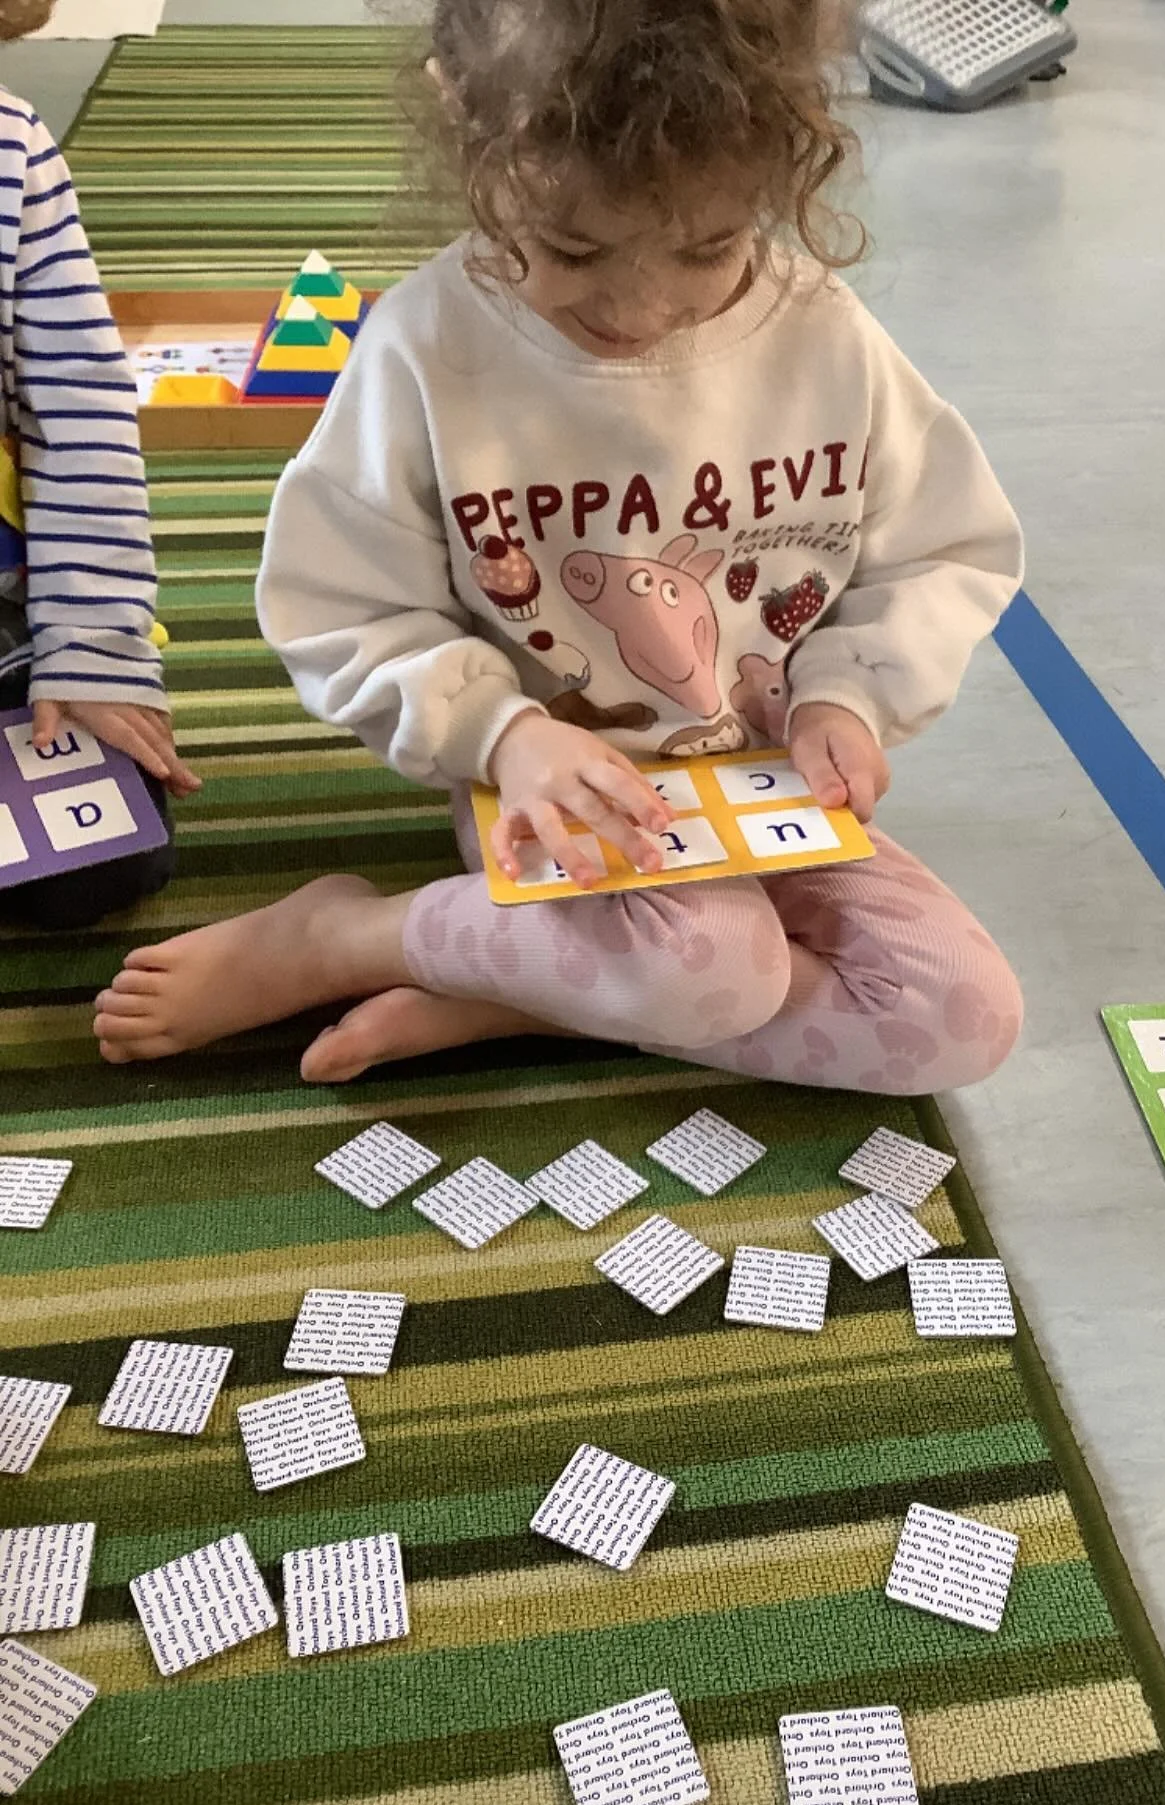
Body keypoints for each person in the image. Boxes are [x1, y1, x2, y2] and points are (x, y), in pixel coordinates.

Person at [92, 0, 1023, 1094]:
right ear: (468, 126)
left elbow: (939, 549)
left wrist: (845, 697)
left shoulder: (825, 333)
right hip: (549, 791)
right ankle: (346, 938)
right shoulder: (428, 348)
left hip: (762, 787)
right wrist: (506, 735)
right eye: (574, 248)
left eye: (709, 247)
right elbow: (341, 606)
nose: (642, 308)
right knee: (715, 964)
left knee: (962, 1014)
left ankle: (511, 992)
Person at [1, 0, 199, 930]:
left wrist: (92, 649)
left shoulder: (14, 149)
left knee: (101, 858)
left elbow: (78, 414)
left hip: (12, 622)